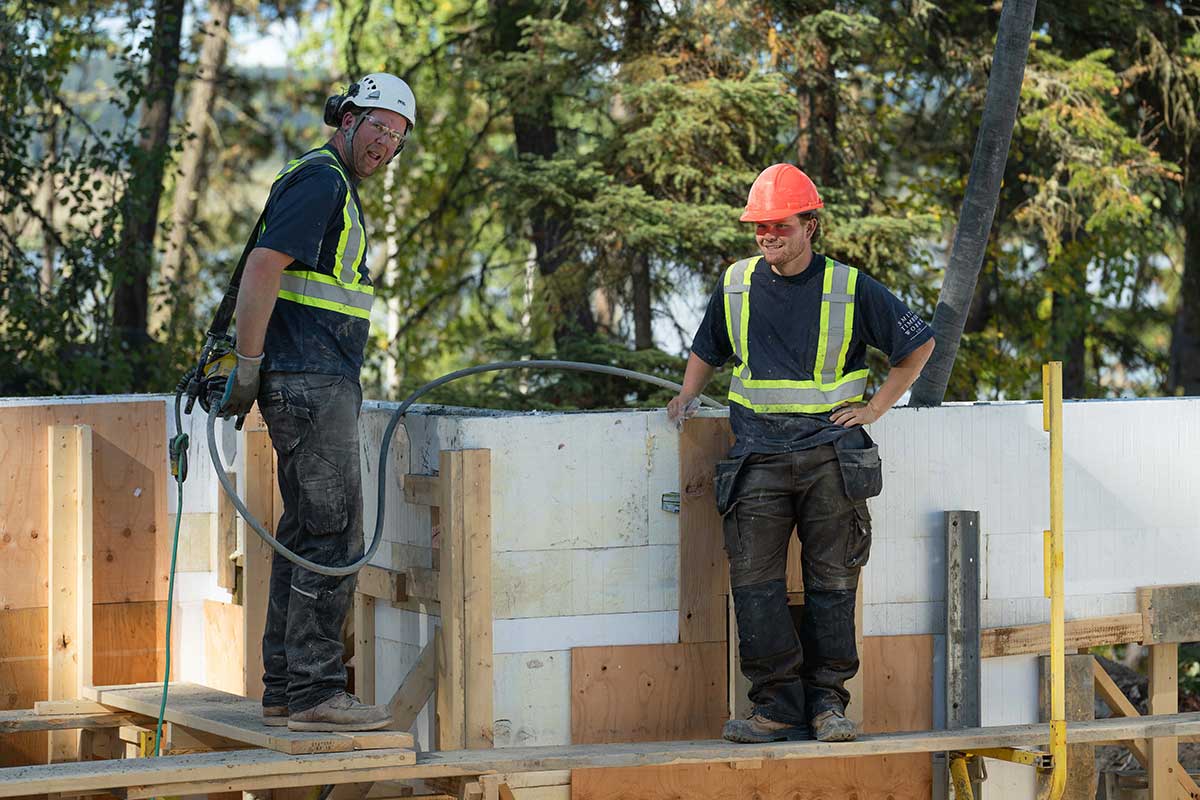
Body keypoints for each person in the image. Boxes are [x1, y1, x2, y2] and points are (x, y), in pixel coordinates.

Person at [667, 163, 935, 744]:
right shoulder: (736, 283)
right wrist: (688, 394)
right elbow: (707, 348)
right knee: (755, 586)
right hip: (757, 453)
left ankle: (828, 707)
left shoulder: (849, 285)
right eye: (759, 227)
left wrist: (874, 409)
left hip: (831, 454)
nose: (768, 237)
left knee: (833, 584)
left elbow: (919, 346)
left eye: (780, 226)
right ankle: (775, 708)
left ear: (811, 225)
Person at [216, 73, 416, 732]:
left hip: (312, 378)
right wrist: (248, 365)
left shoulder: (330, 185)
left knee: (307, 533)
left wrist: (256, 371)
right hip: (310, 378)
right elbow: (263, 267)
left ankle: (285, 687)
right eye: (379, 125)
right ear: (347, 117)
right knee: (333, 533)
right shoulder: (324, 180)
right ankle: (313, 690)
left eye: (397, 136)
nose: (385, 143)